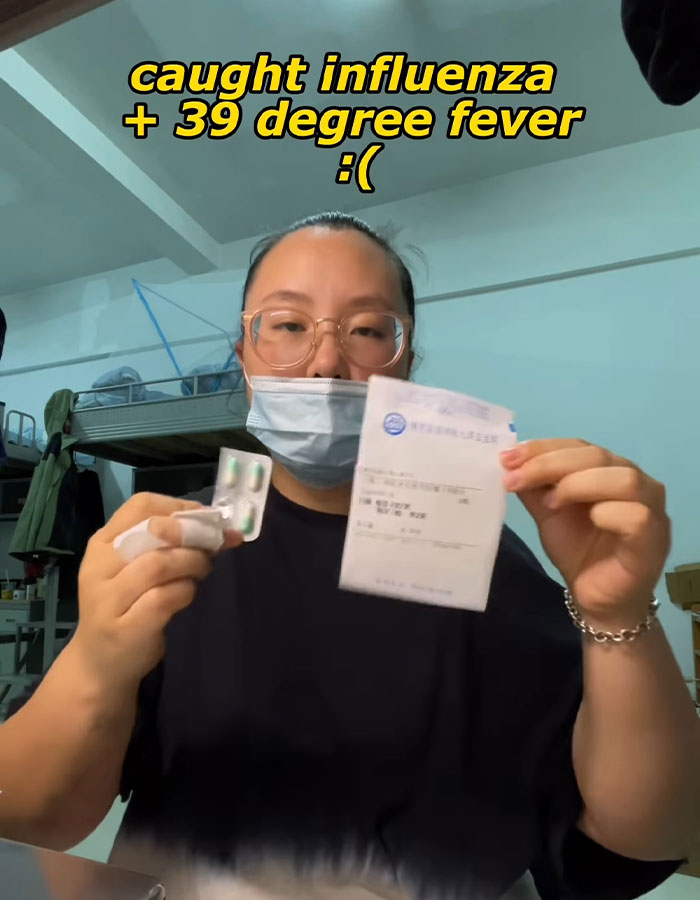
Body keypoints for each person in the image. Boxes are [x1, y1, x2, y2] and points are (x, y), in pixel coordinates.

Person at [0, 212, 699, 900]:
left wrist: (620, 613)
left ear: (407, 364)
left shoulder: (483, 560)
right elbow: (30, 819)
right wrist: (98, 656)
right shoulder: (176, 549)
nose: (327, 361)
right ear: (242, 357)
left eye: (368, 330)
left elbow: (631, 852)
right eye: (288, 325)